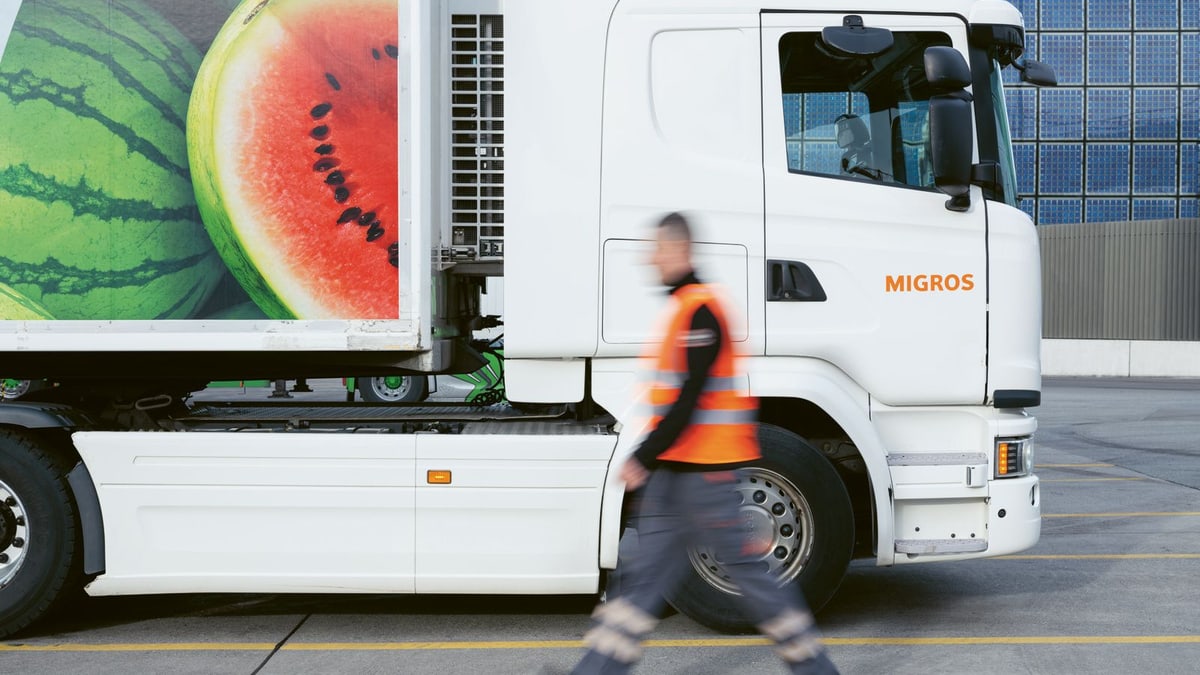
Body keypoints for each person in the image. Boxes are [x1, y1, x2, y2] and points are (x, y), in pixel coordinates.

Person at [568, 212, 838, 674]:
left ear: (678, 250)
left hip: (705, 474)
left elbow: (690, 397)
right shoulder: (685, 309)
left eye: (658, 249)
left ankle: (815, 668)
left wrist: (643, 455)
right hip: (679, 472)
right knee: (643, 580)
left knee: (750, 581)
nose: (651, 259)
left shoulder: (701, 311)